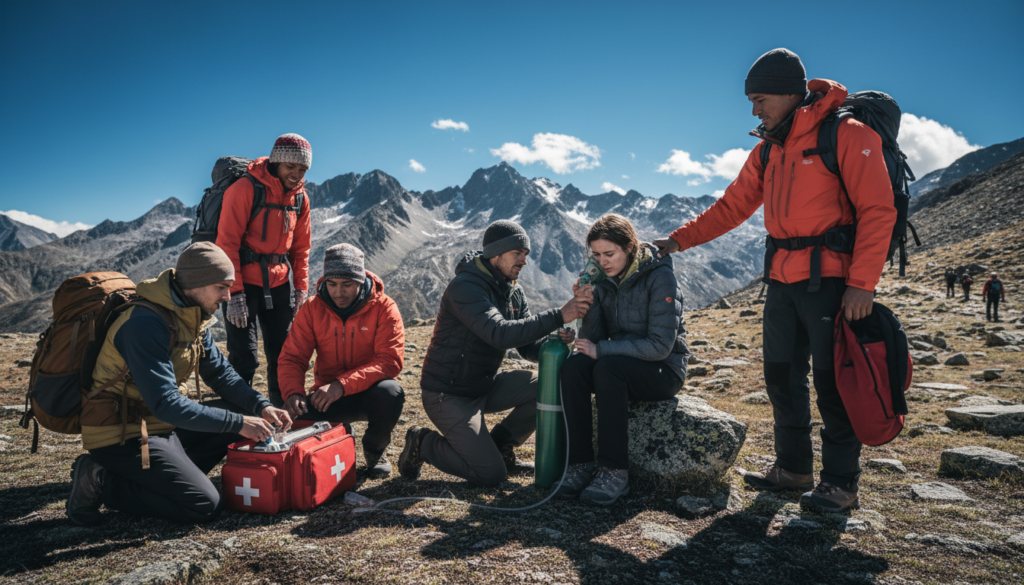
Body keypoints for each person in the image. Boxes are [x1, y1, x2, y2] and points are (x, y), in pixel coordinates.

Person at [653, 48, 896, 513]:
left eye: (760, 98)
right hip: (782, 281)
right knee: (781, 377)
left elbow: (877, 211)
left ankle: (841, 483)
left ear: (789, 92)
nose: (754, 109)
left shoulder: (846, 135)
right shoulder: (768, 150)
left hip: (833, 282)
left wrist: (862, 284)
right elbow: (731, 208)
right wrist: (676, 242)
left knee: (832, 382)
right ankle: (793, 469)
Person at [66, 243, 293, 526]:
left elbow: (222, 376)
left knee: (242, 410)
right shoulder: (144, 324)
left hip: (160, 428)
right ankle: (100, 478)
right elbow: (164, 403)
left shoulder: (193, 316)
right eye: (221, 287)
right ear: (196, 282)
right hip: (123, 435)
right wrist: (238, 423)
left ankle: (169, 478)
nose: (227, 295)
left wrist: (262, 407)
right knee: (203, 504)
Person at [397, 220, 591, 486]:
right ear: (495, 254)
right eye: (517, 254)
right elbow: (499, 334)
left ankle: (500, 446)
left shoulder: (513, 290)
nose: (524, 261)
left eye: (526, 254)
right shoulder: (465, 287)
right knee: (490, 475)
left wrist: (553, 340)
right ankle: (422, 442)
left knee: (547, 385)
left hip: (484, 386)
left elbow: (525, 346)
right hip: (449, 394)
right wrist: (559, 315)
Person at [555, 214, 689, 505]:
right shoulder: (604, 279)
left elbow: (661, 346)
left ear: (629, 247)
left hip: (663, 370)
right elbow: (594, 337)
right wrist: (588, 303)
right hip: (621, 363)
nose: (603, 262)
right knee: (574, 368)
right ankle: (579, 464)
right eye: (596, 255)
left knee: (607, 367)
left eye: (609, 254)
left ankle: (614, 471)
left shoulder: (659, 276)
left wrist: (602, 350)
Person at [278, 244, 406, 476]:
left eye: (347, 284)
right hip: (325, 398)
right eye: (332, 284)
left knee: (391, 392)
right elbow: (293, 357)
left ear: (360, 280)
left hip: (369, 393)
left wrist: (341, 385)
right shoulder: (312, 309)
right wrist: (293, 393)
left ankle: (374, 449)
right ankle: (335, 439)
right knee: (295, 419)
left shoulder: (384, 307)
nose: (339, 292)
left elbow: (390, 361)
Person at [216, 133, 313, 407]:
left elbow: (301, 250)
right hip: (243, 285)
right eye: (290, 167)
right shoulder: (246, 188)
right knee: (244, 357)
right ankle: (237, 418)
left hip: (279, 284)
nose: (296, 174)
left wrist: (301, 289)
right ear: (276, 162)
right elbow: (226, 243)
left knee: (283, 355)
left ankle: (282, 415)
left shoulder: (300, 199)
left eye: (302, 169)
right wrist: (234, 293)